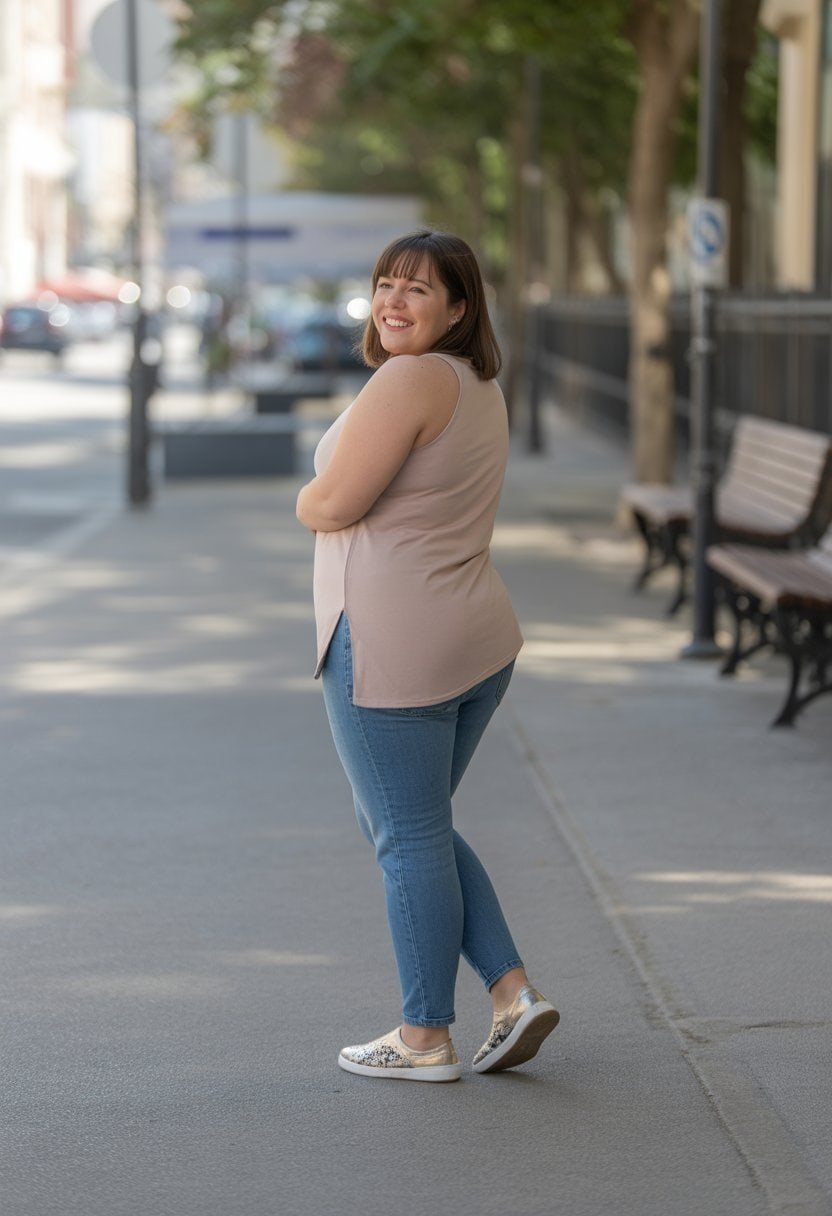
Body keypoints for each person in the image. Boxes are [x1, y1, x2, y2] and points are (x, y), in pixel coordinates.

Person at [296, 230, 559, 1082]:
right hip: (474, 637)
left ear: (459, 307)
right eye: (384, 285)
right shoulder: (476, 382)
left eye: (416, 289)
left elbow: (332, 503)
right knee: (419, 829)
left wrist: (306, 495)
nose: (393, 302)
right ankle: (513, 994)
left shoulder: (409, 379)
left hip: (391, 642)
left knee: (405, 835)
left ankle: (423, 1039)